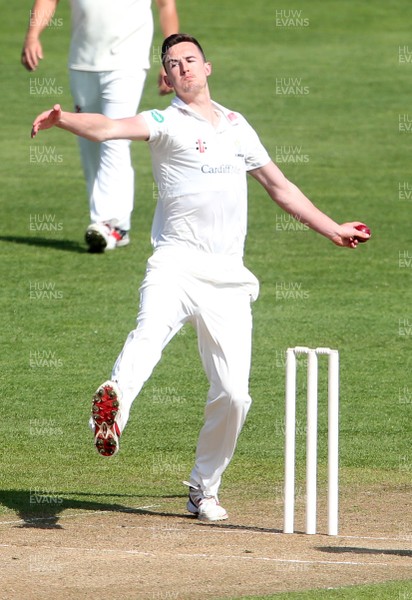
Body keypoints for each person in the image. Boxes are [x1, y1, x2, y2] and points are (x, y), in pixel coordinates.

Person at [31, 33, 370, 521]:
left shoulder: (237, 125)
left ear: (207, 67)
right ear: (166, 80)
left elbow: (279, 186)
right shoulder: (164, 122)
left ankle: (202, 489)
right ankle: (112, 409)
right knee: (149, 332)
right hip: (175, 262)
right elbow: (107, 127)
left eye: (190, 60)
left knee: (235, 394)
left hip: (228, 277)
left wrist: (331, 228)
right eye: (173, 64)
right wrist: (65, 120)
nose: (184, 68)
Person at [22, 0, 179, 252]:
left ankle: (108, 223)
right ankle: (118, 228)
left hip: (128, 63)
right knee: (89, 143)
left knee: (115, 138)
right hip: (83, 62)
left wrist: (170, 58)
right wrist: (33, 35)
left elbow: (166, 6)